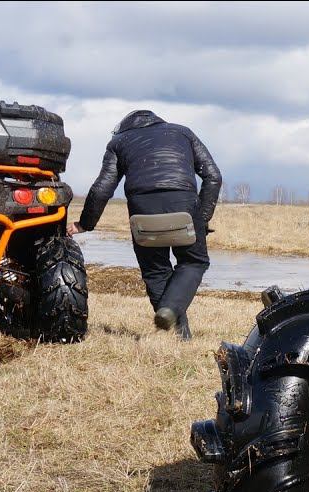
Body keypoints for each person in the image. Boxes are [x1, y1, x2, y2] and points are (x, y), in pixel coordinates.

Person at [68, 110, 222, 338]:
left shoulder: (118, 142)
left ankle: (178, 334)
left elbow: (102, 189)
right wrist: (202, 218)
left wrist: (85, 224)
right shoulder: (183, 133)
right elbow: (213, 176)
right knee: (193, 262)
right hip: (183, 205)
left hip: (142, 210)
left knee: (155, 271)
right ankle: (171, 314)